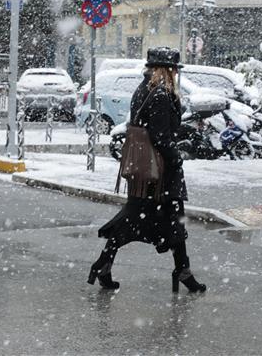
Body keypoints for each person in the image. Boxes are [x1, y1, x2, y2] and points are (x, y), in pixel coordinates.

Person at [88, 47, 206, 294]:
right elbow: (161, 136)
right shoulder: (161, 94)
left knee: (152, 219)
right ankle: (180, 271)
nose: (175, 75)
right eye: (173, 70)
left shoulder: (143, 90)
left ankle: (105, 265)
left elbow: (149, 126)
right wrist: (176, 159)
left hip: (145, 169)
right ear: (165, 70)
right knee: (162, 219)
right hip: (159, 173)